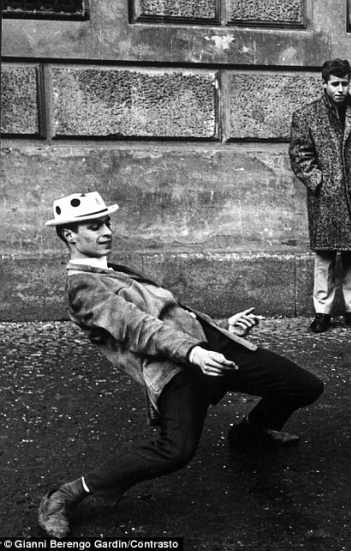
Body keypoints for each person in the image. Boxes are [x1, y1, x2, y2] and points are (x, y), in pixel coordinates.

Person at [38, 192, 325, 539]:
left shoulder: (111, 269)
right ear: (69, 234)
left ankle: (249, 433)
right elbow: (138, 327)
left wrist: (224, 328)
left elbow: (173, 315)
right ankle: (66, 494)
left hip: (209, 346)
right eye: (94, 226)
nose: (107, 232)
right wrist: (194, 354)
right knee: (175, 450)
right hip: (176, 369)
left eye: (108, 223)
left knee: (305, 386)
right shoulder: (82, 287)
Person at [289, 58, 351, 334]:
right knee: (325, 257)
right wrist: (319, 182)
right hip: (326, 199)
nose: (340, 89)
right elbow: (299, 155)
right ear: (324, 84)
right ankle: (322, 312)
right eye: (335, 84)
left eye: (345, 83)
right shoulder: (307, 115)